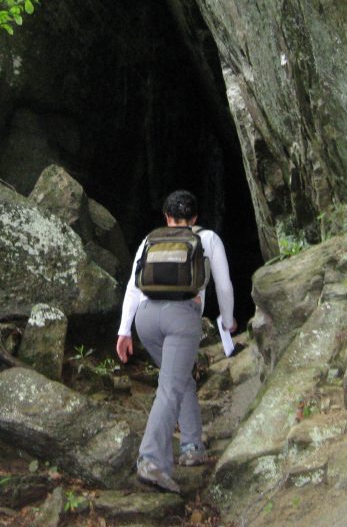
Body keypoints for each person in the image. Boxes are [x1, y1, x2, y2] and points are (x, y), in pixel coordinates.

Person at [116, 190, 236, 494]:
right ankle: (152, 459)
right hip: (181, 318)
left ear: (167, 217)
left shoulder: (150, 240)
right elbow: (223, 285)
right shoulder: (207, 239)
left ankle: (193, 445)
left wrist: (124, 331)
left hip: (145, 319)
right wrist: (228, 319)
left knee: (180, 380)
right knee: (170, 387)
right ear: (194, 218)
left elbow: (133, 287)